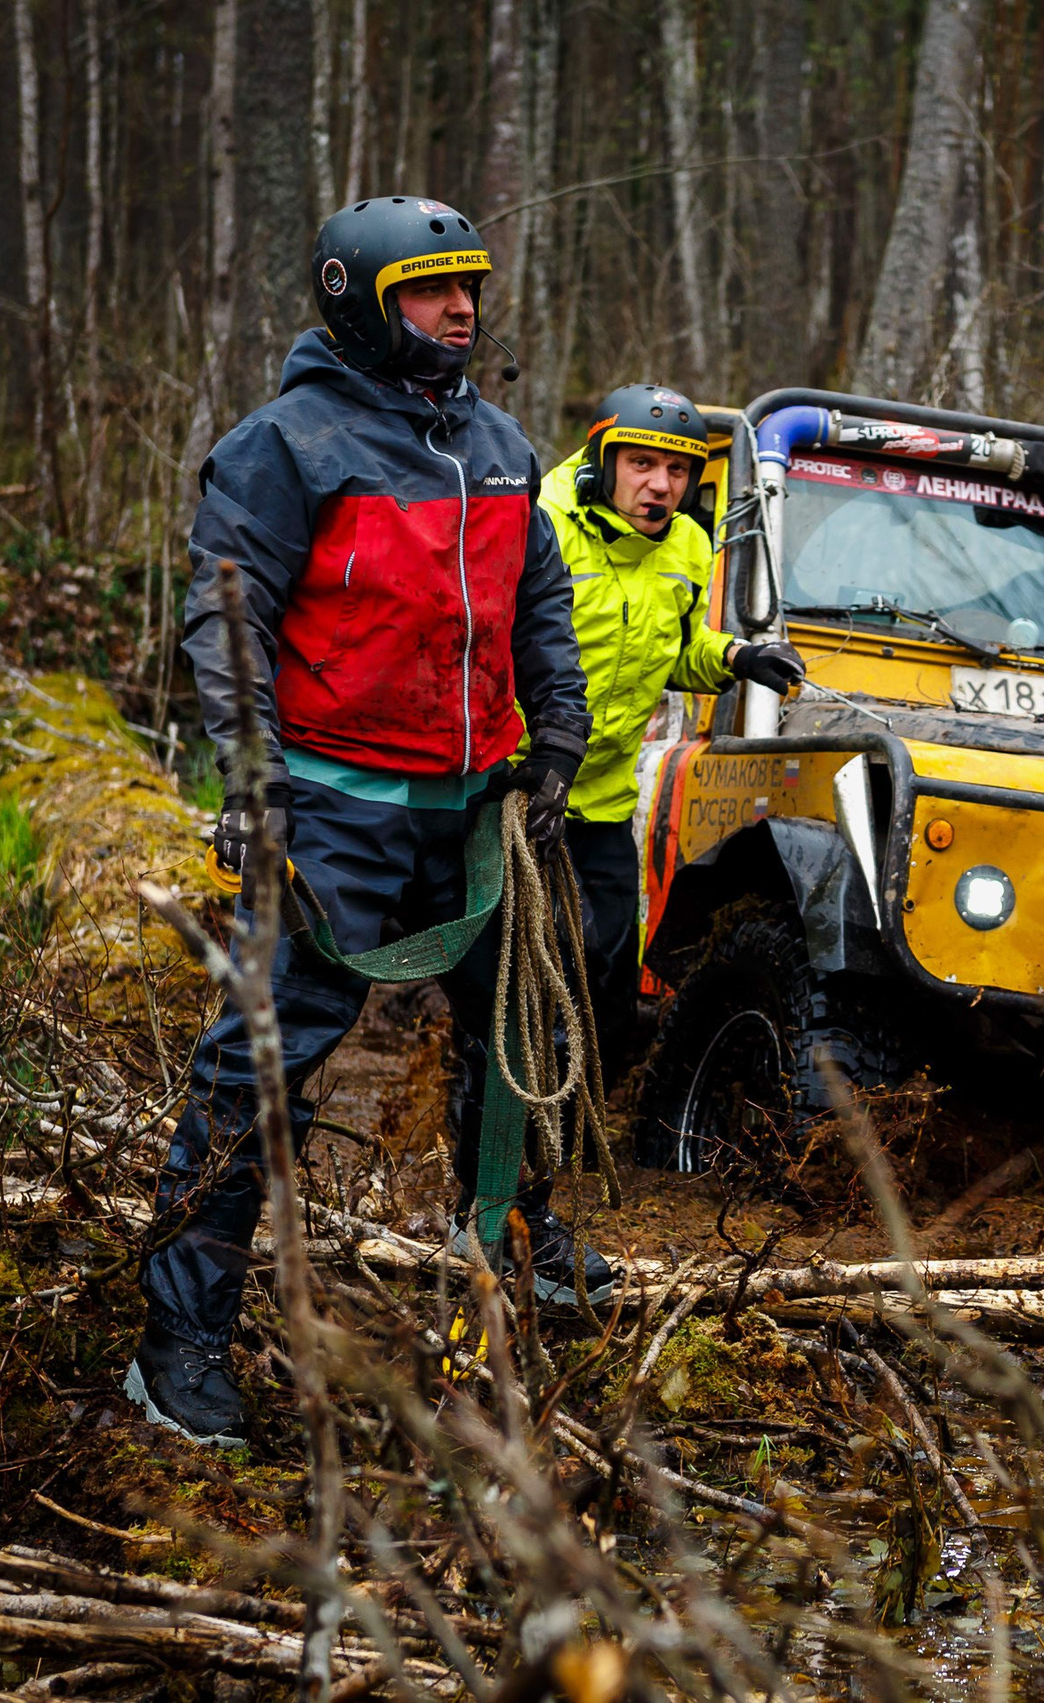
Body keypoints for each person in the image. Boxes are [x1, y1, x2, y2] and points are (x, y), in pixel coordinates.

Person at [131, 195, 606, 1447]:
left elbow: (539, 601)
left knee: (525, 1042)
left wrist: (556, 729)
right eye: (431, 292)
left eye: (470, 290)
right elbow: (226, 622)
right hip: (333, 810)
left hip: (478, 814)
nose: (463, 310)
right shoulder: (282, 446)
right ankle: (178, 1338)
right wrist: (253, 777)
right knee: (260, 1071)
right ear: (358, 299)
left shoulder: (499, 442)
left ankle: (512, 1267)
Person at [537, 385, 805, 1071]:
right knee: (531, 978)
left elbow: (676, 650)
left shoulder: (688, 543)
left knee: (608, 981)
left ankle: (576, 1136)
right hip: (519, 792)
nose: (660, 485)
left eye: (678, 470)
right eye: (641, 465)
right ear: (602, 462)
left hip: (599, 801)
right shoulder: (539, 522)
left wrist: (738, 656)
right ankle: (496, 1140)